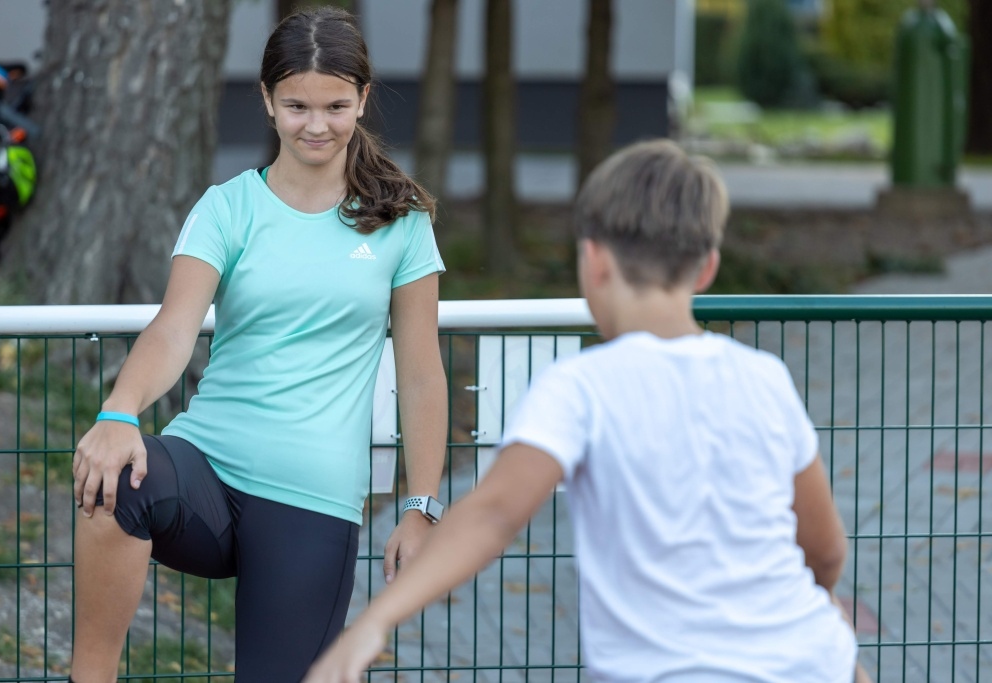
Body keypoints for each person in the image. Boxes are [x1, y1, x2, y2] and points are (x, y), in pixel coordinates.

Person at [303, 139, 869, 683]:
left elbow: (493, 514)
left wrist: (375, 620)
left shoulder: (580, 388)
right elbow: (825, 551)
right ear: (707, 268)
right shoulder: (764, 378)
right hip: (813, 662)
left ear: (594, 262)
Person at [68, 7, 448, 682]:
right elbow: (174, 327)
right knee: (114, 480)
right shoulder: (227, 207)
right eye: (297, 106)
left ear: (362, 99)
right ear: (269, 101)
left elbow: (421, 376)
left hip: (312, 499)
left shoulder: (402, 223)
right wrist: (118, 412)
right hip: (207, 469)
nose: (316, 125)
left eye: (335, 106)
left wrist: (420, 507)